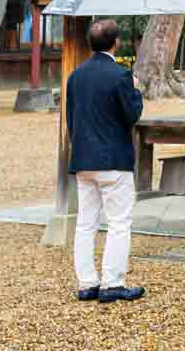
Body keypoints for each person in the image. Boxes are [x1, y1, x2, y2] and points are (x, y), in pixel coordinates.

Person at [67, 17, 145, 303]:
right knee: (119, 222)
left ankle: (87, 282)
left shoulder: (75, 76)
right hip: (113, 159)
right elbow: (132, 114)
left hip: (83, 158)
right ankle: (112, 282)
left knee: (86, 222)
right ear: (116, 43)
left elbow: (71, 119)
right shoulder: (121, 75)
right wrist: (135, 89)